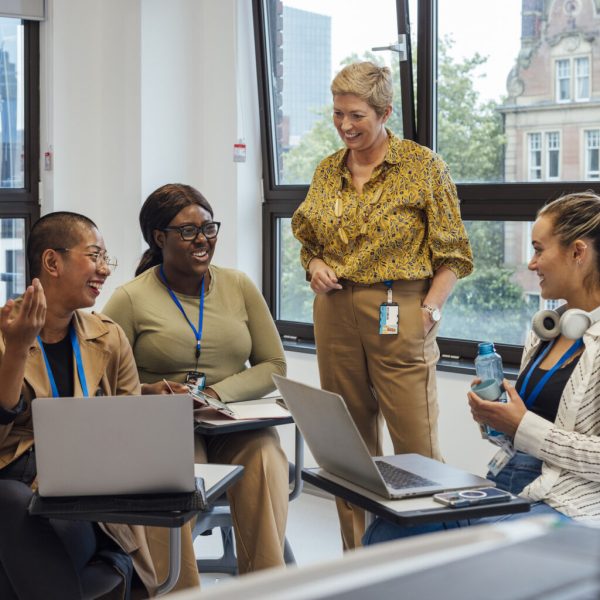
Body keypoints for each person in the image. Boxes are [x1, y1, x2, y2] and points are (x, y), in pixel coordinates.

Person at [291, 61, 473, 549]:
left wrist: (430, 312)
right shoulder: (328, 169)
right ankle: (358, 555)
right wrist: (313, 266)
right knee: (348, 444)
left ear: (385, 111)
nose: (346, 126)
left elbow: (454, 253)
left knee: (416, 443)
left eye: (356, 116)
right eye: (337, 115)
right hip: (334, 308)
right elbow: (308, 239)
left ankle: (424, 556)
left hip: (400, 305)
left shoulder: (423, 166)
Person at [364, 191, 600, 545]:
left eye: (538, 249)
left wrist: (522, 425)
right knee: (392, 527)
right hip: (513, 481)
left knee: (472, 553)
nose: (532, 264)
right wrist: (496, 419)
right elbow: (521, 430)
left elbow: (538, 433)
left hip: (570, 502)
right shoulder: (547, 330)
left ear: (578, 252)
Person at [103, 183, 289, 577]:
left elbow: (273, 363)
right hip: (165, 425)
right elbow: (101, 382)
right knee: (176, 467)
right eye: (188, 231)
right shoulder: (130, 298)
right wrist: (149, 392)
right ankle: (177, 588)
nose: (202, 239)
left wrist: (218, 394)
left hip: (229, 420)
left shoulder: (238, 285)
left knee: (265, 455)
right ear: (159, 237)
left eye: (208, 228)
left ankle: (267, 585)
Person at [0, 212, 162, 599]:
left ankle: (110, 565)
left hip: (85, 495)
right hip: (17, 480)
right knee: (11, 502)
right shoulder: (6, 333)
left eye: (107, 258)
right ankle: (111, 571)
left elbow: (130, 432)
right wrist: (18, 349)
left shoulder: (109, 337)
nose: (105, 269)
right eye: (95, 256)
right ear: (53, 262)